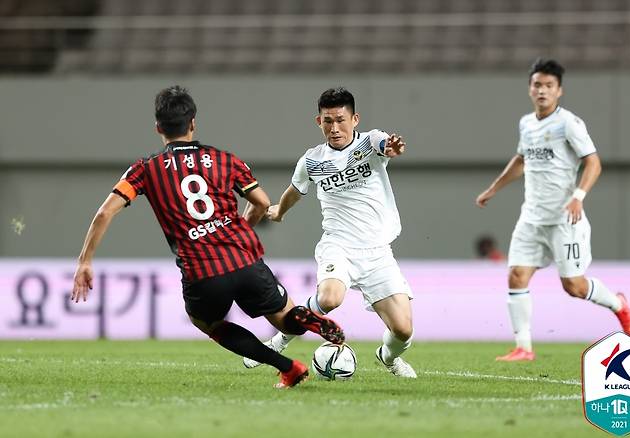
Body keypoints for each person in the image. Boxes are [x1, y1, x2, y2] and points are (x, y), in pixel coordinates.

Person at [70, 85, 344, 388]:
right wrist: (237, 231)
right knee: (284, 316)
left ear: (159, 127)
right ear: (193, 124)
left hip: (203, 271)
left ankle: (287, 367)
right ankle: (307, 318)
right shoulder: (224, 159)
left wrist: (85, 262)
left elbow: (104, 213)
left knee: (207, 323)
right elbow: (263, 203)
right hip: (244, 258)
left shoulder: (145, 169)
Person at [243, 87, 416, 378]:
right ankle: (283, 336)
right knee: (330, 298)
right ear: (318, 122)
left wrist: (393, 147)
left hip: (378, 252)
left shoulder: (370, 142)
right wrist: (279, 212)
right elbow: (295, 191)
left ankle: (388, 358)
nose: (334, 128)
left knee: (403, 330)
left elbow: (387, 145)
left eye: (340, 120)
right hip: (339, 245)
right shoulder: (311, 160)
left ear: (355, 119)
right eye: (328, 121)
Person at [475, 59, 630, 361]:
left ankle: (618, 304)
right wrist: (493, 188)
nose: (542, 90)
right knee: (516, 276)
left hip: (565, 218)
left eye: (549, 86)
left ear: (559, 91)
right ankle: (524, 347)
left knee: (573, 287)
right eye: (537, 85)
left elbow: (593, 162)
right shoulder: (526, 123)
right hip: (531, 218)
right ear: (530, 89)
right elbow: (521, 159)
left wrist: (578, 195)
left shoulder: (569, 123)